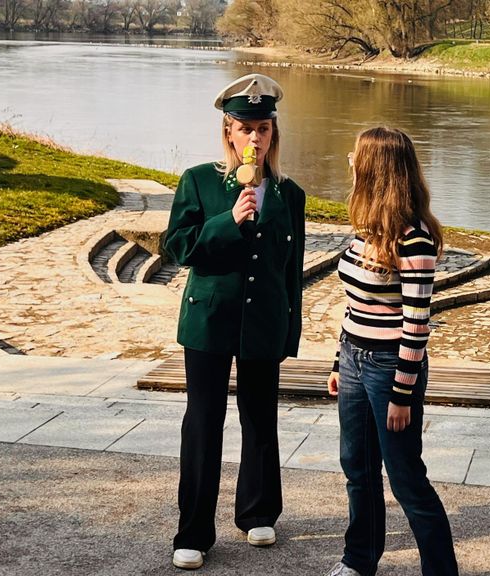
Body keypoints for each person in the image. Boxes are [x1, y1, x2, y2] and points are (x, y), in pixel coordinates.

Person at [163, 73, 306, 570]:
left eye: (263, 128)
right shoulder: (200, 180)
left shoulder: (290, 193)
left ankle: (258, 512)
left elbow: (293, 270)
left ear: (273, 134)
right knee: (204, 422)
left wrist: (291, 331)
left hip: (264, 322)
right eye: (245, 128)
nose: (255, 137)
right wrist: (229, 221)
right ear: (228, 131)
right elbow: (177, 248)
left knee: (261, 419)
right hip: (208, 322)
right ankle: (194, 532)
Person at [324, 127, 458, 576]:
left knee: (405, 478)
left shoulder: (414, 240)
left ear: (377, 169)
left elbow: (417, 324)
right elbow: (354, 304)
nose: (349, 161)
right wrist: (339, 363)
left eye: (356, 156)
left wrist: (402, 394)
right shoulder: (366, 229)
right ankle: (359, 560)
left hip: (389, 369)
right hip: (355, 361)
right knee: (356, 469)